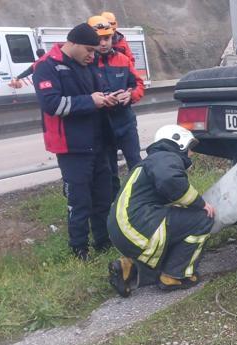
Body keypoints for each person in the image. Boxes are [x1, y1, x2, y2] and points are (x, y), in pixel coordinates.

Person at [32, 23, 117, 260]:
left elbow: (96, 94)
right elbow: (53, 105)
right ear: (74, 44)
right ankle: (79, 248)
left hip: (98, 142)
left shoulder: (87, 65)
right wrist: (91, 101)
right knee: (79, 200)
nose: (92, 55)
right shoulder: (46, 67)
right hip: (71, 146)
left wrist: (108, 98)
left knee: (103, 196)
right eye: (89, 50)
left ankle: (103, 241)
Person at [106, 125, 216, 297]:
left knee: (177, 222)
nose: (192, 153)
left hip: (124, 230)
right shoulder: (167, 157)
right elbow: (170, 180)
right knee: (202, 218)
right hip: (136, 227)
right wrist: (199, 203)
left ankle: (129, 267)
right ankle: (175, 276)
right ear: (179, 143)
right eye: (190, 148)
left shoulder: (153, 160)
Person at [88, 15, 145, 198]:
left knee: (136, 164)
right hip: (102, 125)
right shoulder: (86, 63)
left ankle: (140, 199)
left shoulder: (123, 59)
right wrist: (103, 99)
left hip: (125, 121)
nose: (103, 43)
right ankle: (114, 203)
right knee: (109, 169)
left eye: (107, 38)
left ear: (113, 37)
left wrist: (130, 95)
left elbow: (138, 84)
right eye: (99, 39)